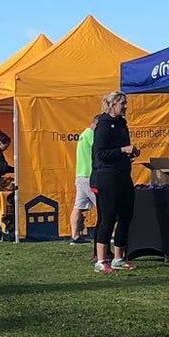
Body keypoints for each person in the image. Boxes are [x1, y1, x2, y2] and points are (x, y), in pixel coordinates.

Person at [91, 91, 139, 273]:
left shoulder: (122, 124)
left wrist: (130, 152)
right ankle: (101, 260)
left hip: (123, 175)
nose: (126, 106)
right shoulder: (103, 125)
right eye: (122, 103)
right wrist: (122, 150)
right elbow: (100, 154)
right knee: (108, 217)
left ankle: (119, 258)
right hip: (106, 177)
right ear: (112, 105)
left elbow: (121, 151)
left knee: (126, 216)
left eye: (126, 103)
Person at [71, 120, 95, 244]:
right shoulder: (91, 134)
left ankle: (74, 236)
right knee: (104, 205)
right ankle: (108, 234)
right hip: (89, 175)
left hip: (80, 175)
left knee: (78, 206)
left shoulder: (83, 134)